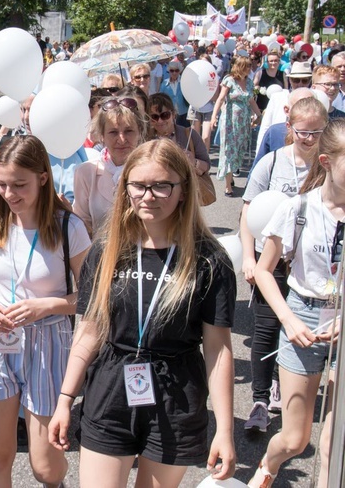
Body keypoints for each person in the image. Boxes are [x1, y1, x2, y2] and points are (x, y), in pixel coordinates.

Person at [49, 138, 237, 488]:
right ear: (126, 189)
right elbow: (89, 331)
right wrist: (64, 400)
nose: (148, 196)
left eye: (162, 186)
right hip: (111, 388)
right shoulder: (106, 251)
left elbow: (218, 349)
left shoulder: (209, 260)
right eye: (139, 185)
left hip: (176, 395)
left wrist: (225, 431)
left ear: (183, 190)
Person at [0, 135, 90, 487]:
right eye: (2, 184)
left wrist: (48, 305)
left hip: (49, 341)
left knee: (46, 467)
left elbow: (93, 297)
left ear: (42, 177)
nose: (9, 194)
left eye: (19, 185)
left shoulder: (70, 228)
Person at [247, 119, 344, 488]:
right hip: (302, 317)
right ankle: (266, 468)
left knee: (335, 439)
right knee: (295, 439)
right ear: (326, 161)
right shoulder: (298, 209)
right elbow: (263, 269)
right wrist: (288, 321)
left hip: (342, 324)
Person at [240, 97, 328, 435]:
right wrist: (249, 256)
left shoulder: (328, 167)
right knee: (266, 327)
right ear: (289, 128)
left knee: (298, 326)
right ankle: (259, 400)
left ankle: (282, 380)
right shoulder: (272, 163)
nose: (308, 138)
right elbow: (249, 212)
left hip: (309, 263)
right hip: (270, 257)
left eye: (316, 132)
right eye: (302, 132)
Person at [73, 96, 148, 233]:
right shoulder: (85, 173)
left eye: (128, 131)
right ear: (102, 135)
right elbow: (82, 228)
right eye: (113, 132)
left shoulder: (151, 171)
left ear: (140, 131)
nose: (122, 139)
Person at [212, 55, 263, 196]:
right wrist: (214, 116)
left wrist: (259, 115)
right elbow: (221, 98)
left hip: (243, 123)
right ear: (240, 67)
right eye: (246, 66)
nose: (249, 68)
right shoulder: (229, 80)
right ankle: (228, 185)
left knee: (238, 151)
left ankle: (231, 177)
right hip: (229, 121)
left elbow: (251, 100)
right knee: (229, 151)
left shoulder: (249, 82)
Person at [148, 93, 210, 180]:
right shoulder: (146, 139)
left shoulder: (189, 135)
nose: (160, 121)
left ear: (173, 114)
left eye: (165, 115)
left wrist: (194, 162)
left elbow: (206, 166)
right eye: (154, 117)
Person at [256, 61, 313, 156]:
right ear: (290, 80)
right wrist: (259, 153)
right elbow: (265, 128)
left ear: (310, 80)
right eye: (296, 80)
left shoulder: (313, 99)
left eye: (305, 80)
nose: (300, 84)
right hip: (278, 147)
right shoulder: (278, 97)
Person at [159, 62, 190, 127]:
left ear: (179, 71)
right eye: (172, 70)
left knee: (186, 131)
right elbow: (160, 98)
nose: (174, 73)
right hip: (170, 113)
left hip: (184, 111)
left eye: (176, 70)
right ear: (169, 71)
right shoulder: (164, 84)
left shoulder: (184, 81)